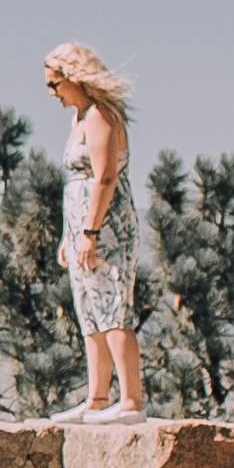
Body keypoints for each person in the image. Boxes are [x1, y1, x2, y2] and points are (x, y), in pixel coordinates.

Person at [43, 42, 145, 420]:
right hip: (82, 226)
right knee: (89, 311)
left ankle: (131, 401)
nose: (52, 94)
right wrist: (68, 237)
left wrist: (91, 232)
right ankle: (96, 398)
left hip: (107, 225)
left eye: (55, 85)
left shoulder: (101, 115)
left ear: (74, 78)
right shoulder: (79, 118)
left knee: (113, 308)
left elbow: (104, 176)